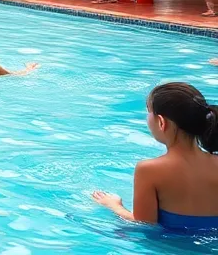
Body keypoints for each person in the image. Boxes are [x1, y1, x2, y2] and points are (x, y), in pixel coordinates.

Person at [92, 82, 218, 231]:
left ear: (161, 122)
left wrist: (115, 206)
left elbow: (144, 225)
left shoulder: (149, 170)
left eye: (148, 112)